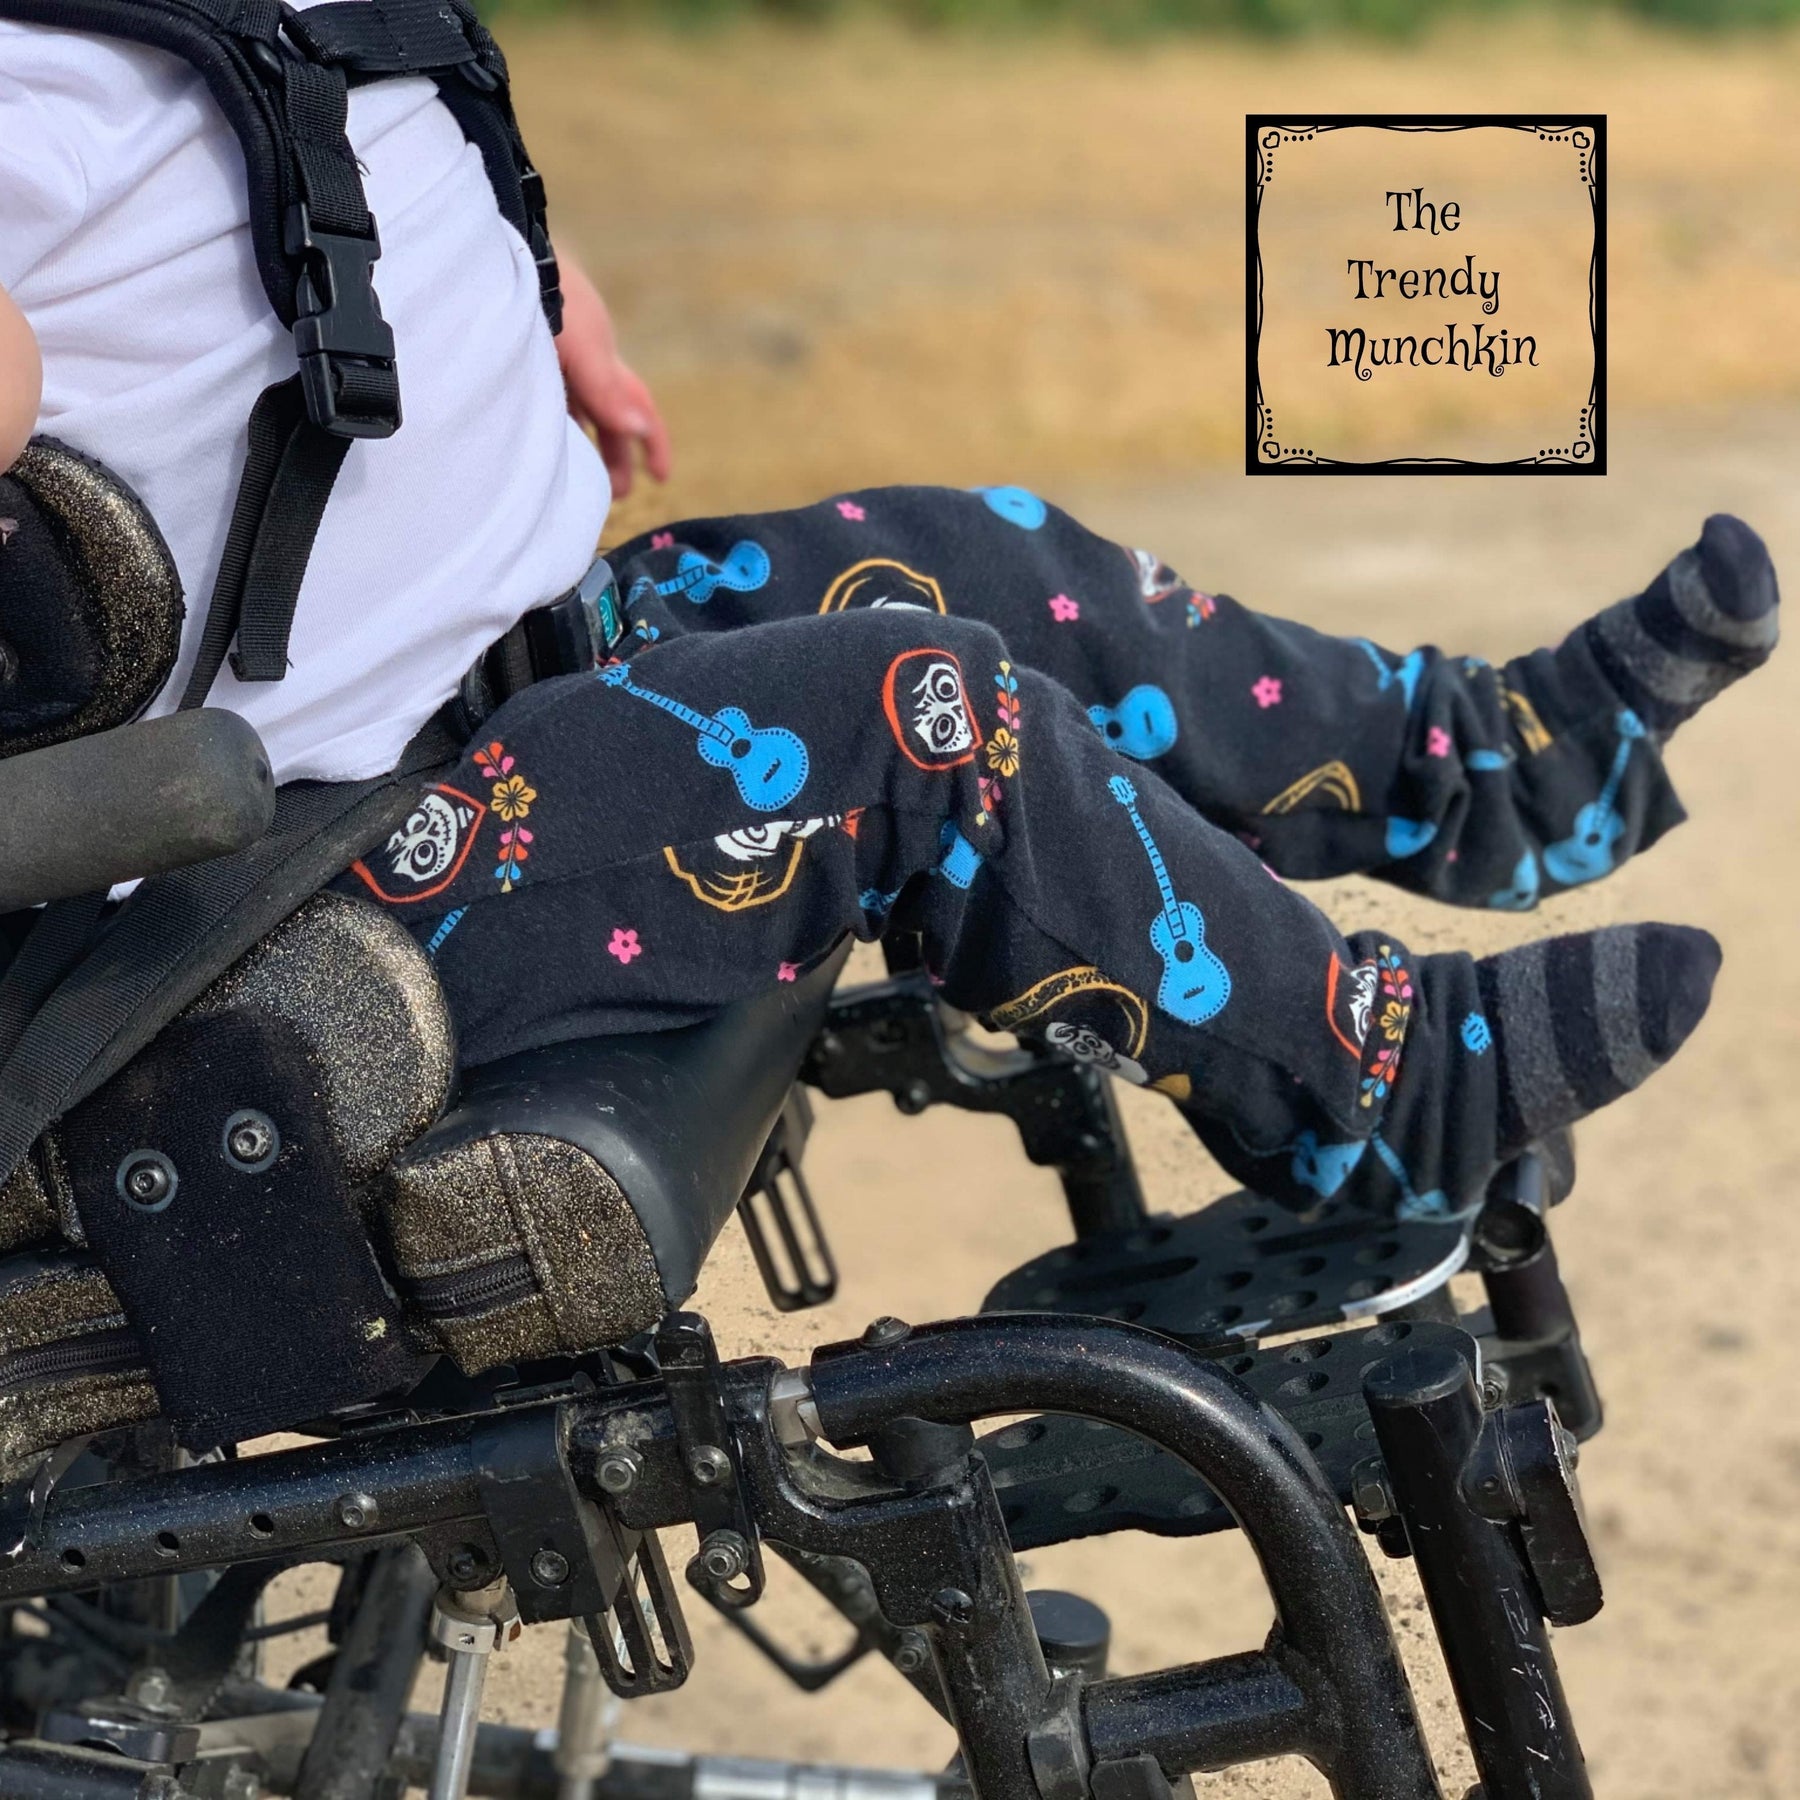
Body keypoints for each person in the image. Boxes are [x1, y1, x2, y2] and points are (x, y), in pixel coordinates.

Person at [0, 9, 1772, 1226]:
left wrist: (529, 288)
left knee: (971, 554)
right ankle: (1378, 1095)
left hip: (508, 677)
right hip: (281, 901)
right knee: (916, 726)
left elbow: (305, 138)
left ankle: (1495, 770)